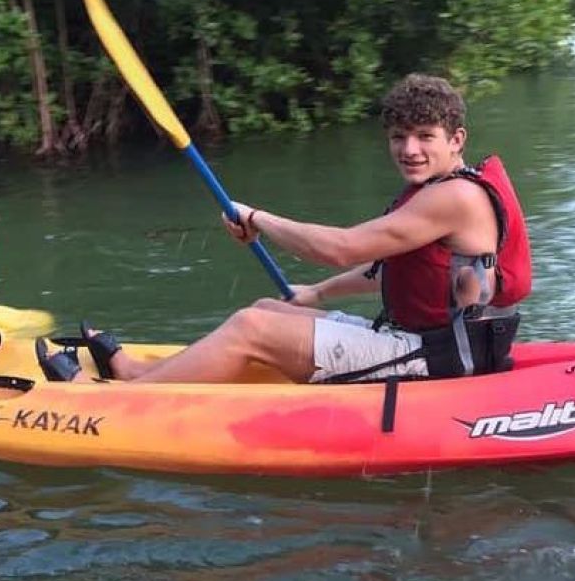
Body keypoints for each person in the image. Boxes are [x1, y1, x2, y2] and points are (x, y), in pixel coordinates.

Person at [37, 74, 532, 384]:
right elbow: (389, 272)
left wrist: (259, 219)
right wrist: (315, 294)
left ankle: (122, 402)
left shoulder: (455, 196)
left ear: (456, 140)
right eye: (399, 137)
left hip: (439, 359)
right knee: (266, 309)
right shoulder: (435, 190)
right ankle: (137, 373)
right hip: (416, 339)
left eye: (426, 137)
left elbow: (343, 248)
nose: (409, 149)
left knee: (253, 329)